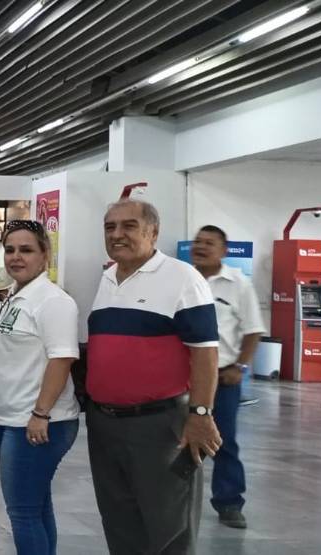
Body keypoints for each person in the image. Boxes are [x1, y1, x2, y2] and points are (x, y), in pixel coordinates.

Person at [86, 199, 220, 554]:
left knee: (168, 527)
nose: (117, 234)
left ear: (153, 232)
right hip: (105, 425)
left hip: (160, 427)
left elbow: (205, 352)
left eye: (129, 226)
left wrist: (201, 415)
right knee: (120, 523)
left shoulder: (182, 278)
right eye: (110, 227)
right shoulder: (106, 278)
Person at [0, 220, 79, 555]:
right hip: (10, 419)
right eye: (10, 250)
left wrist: (41, 413)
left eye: (26, 250)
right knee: (36, 507)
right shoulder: (14, 297)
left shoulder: (53, 301)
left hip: (37, 422)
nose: (16, 257)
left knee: (22, 512)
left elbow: (61, 360)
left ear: (45, 255)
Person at [191, 225, 264, 529]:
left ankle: (229, 501)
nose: (202, 247)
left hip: (223, 379)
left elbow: (253, 330)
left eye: (210, 243)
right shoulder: (182, 278)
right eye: (198, 241)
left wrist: (241, 366)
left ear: (223, 250)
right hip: (185, 377)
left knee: (223, 441)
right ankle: (176, 498)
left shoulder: (239, 285)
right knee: (178, 440)